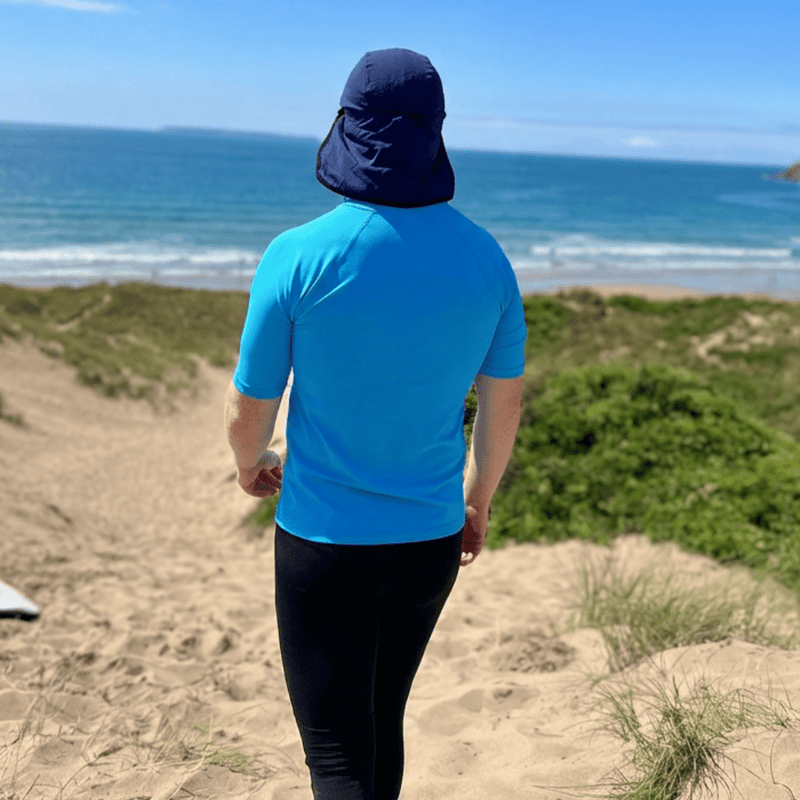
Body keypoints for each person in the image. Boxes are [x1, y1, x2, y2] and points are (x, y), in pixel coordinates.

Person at [225, 48, 527, 800]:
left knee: (334, 757)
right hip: (428, 540)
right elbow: (504, 403)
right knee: (380, 728)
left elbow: (248, 408)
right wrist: (478, 499)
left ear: (347, 128)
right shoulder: (488, 259)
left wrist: (250, 462)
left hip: (323, 543)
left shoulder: (298, 255)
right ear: (437, 135)